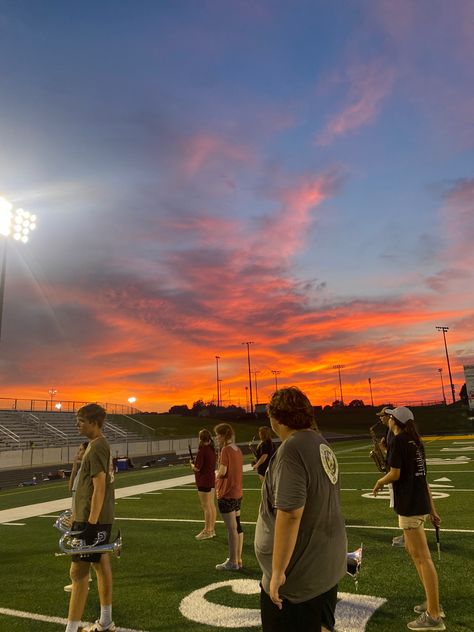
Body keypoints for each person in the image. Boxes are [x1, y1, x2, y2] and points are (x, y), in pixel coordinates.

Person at [255, 387, 347, 632]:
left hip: (299, 577)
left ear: (276, 418)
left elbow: (291, 513)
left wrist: (277, 572)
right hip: (323, 564)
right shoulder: (320, 442)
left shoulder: (292, 449)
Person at [372, 406, 445, 631]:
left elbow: (395, 473)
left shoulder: (400, 441)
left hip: (410, 504)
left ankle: (434, 615)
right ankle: (432, 603)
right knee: (414, 553)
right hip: (419, 502)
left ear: (395, 421)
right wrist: (432, 509)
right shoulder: (414, 441)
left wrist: (379, 482)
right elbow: (423, 478)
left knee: (422, 557)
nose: (387, 419)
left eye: (390, 417)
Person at [64, 404, 116, 632]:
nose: (77, 424)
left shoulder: (96, 447)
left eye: (81, 421)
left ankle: (71, 629)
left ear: (94, 423)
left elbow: (100, 486)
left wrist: (90, 524)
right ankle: (105, 620)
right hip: (91, 518)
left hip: (91, 520)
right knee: (100, 564)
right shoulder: (97, 446)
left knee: (78, 574)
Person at [214, 423, 244, 570]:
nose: (216, 438)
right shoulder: (237, 450)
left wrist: (216, 474)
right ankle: (238, 559)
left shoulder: (225, 450)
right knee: (238, 526)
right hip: (238, 493)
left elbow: (223, 471)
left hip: (226, 493)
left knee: (231, 529)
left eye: (218, 435)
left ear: (223, 435)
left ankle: (232, 561)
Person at [64, 441, 91, 593]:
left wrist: (76, 515)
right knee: (85, 549)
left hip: (80, 515)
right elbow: (70, 489)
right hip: (77, 511)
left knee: (77, 549)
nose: (78, 452)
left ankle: (79, 582)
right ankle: (86, 578)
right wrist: (74, 467)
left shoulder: (87, 470)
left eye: (81, 450)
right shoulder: (80, 470)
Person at [376, 407, 405, 548]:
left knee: (400, 504)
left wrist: (384, 450)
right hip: (393, 470)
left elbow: (396, 454)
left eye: (382, 415)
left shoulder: (395, 434)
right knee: (398, 504)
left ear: (390, 417)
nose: (380, 418)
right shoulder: (389, 431)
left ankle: (408, 536)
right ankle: (407, 534)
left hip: (395, 473)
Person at [190, 429, 217, 540]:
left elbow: (197, 468)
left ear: (200, 438)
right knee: (211, 505)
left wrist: (191, 464)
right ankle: (211, 529)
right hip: (211, 479)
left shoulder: (203, 450)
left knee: (206, 506)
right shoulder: (211, 449)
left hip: (203, 480)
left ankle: (207, 530)